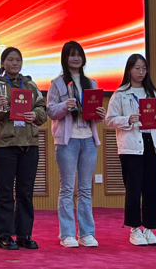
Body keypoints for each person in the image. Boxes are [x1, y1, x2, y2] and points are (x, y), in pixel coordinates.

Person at [0, 47, 47, 251]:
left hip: (29, 144)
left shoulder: (31, 85)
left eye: (18, 60)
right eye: (10, 59)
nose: (15, 63)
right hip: (5, 145)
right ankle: (4, 235)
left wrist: (35, 115)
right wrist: (0, 107)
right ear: (3, 63)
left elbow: (42, 110)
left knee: (25, 193)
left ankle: (24, 234)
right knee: (4, 191)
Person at [47, 40, 106, 248]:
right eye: (71, 55)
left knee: (85, 189)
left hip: (88, 139)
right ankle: (67, 234)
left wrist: (101, 114)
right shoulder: (57, 83)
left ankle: (87, 233)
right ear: (65, 58)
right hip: (67, 141)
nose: (76, 58)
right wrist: (65, 105)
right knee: (67, 188)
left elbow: (95, 115)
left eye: (79, 55)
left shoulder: (91, 82)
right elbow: (50, 111)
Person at [106, 54, 156, 247]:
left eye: (144, 68)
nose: (141, 72)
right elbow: (109, 120)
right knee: (133, 189)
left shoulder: (152, 93)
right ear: (129, 70)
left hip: (152, 144)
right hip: (131, 147)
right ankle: (134, 229)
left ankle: (149, 229)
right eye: (137, 68)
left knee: (152, 188)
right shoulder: (120, 93)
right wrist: (127, 119)